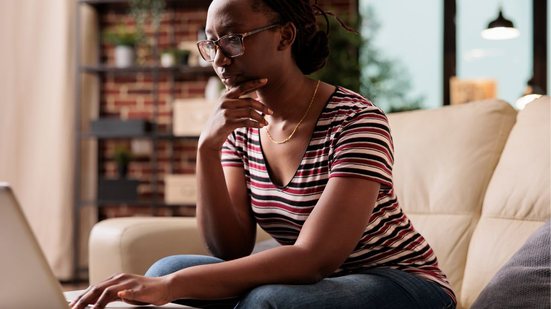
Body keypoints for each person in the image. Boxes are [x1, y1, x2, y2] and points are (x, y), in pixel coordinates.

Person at [70, 0, 457, 308]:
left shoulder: (356, 121)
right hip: (319, 281)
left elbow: (313, 259)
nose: (220, 59)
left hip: (399, 281)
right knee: (166, 267)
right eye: (211, 43)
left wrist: (170, 287)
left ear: (284, 36)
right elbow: (229, 248)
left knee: (266, 299)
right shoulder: (240, 126)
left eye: (234, 39)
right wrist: (208, 148)